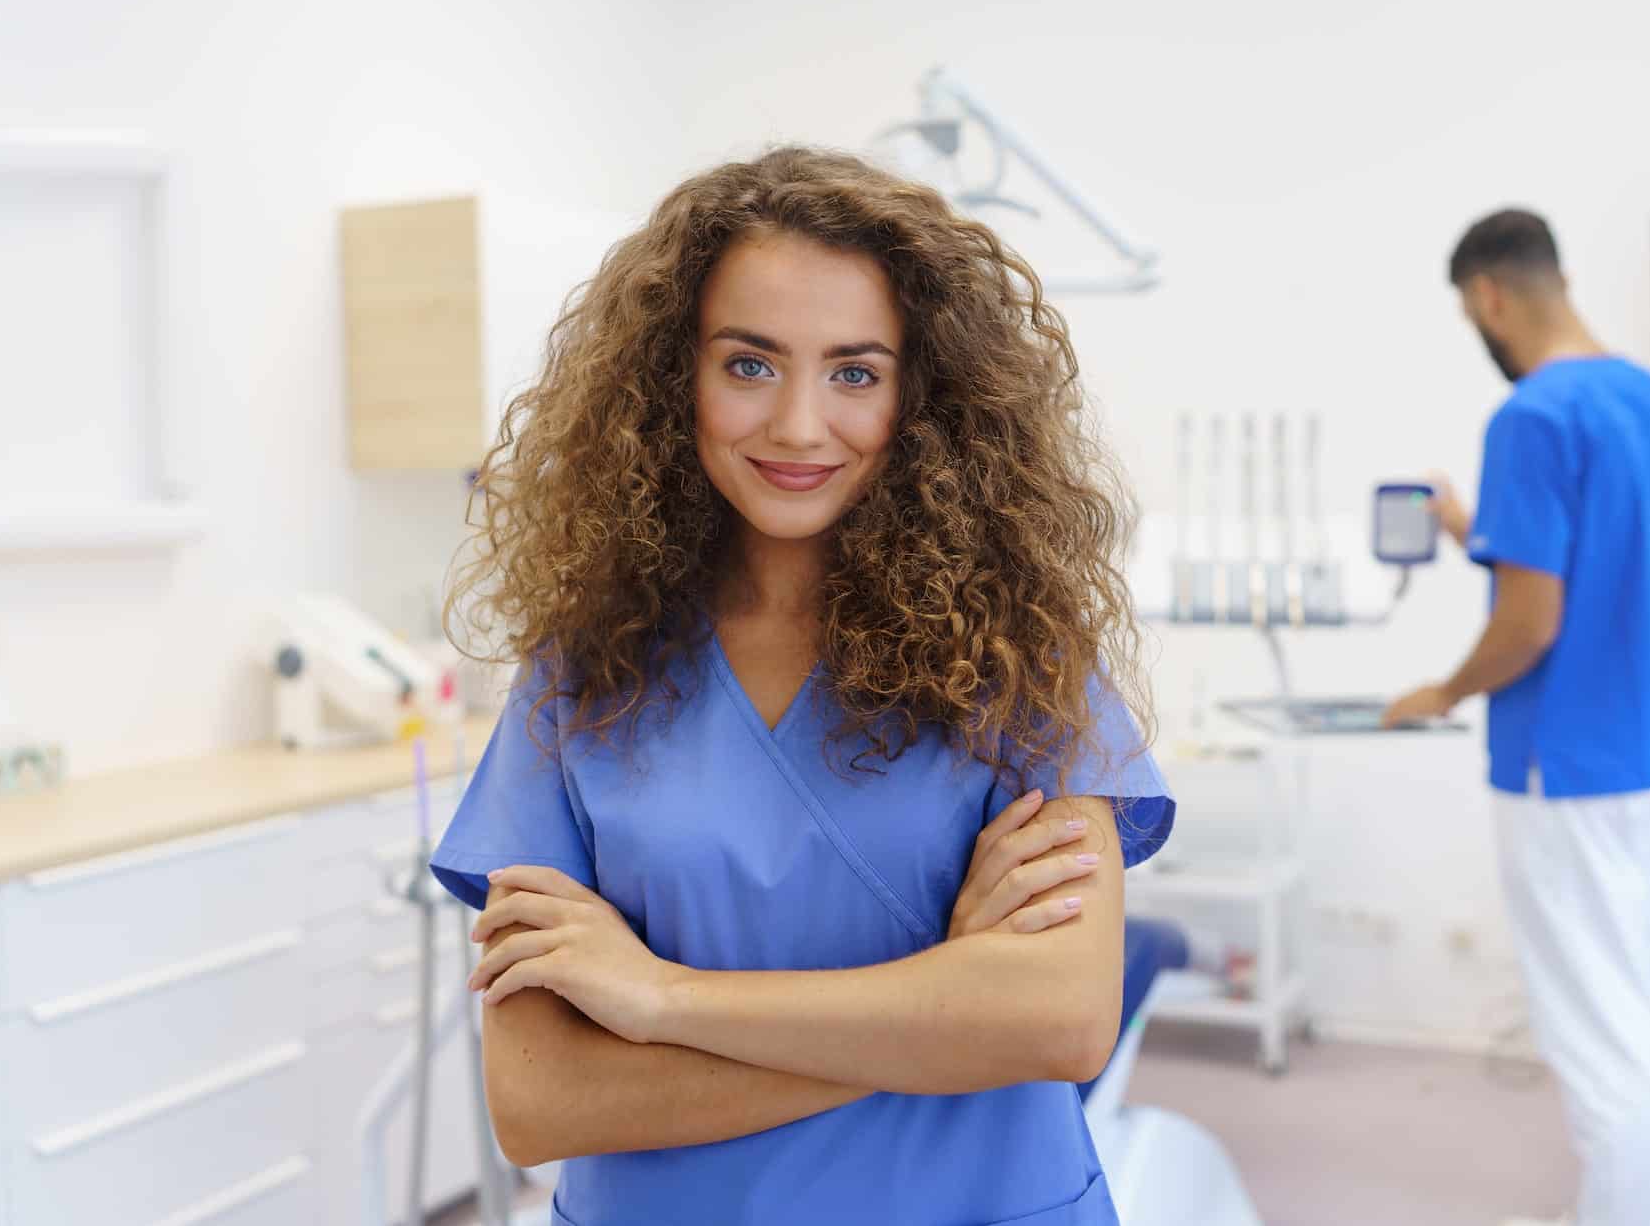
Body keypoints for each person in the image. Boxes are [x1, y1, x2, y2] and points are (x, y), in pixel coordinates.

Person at [431, 147, 1174, 1225]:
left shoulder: (1020, 656)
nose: (795, 424)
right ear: (669, 374)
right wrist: (942, 1003)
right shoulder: (581, 674)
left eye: (854, 371)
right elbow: (543, 1099)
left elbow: (1057, 1019)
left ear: (923, 397)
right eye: (747, 363)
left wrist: (663, 999)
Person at [1382, 209, 1650, 1226]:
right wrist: (1476, 528)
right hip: (1640, 746)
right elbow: (1592, 556)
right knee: (1629, 1003)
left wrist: (1442, 690)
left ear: (1485, 297)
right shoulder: (1644, 399)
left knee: (1597, 1041)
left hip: (1562, 760)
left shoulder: (1529, 416)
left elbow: (1530, 618)